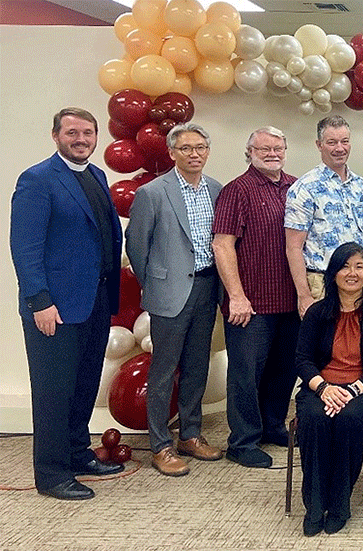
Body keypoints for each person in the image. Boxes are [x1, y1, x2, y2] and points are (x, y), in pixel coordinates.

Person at [10, 107, 124, 500]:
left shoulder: (96, 175)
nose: (81, 140)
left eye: (87, 133)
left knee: (84, 385)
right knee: (53, 393)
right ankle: (52, 474)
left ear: (96, 137)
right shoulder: (37, 179)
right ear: (56, 135)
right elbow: (25, 248)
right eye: (72, 132)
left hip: (94, 301)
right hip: (54, 308)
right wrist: (39, 302)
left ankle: (77, 454)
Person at [126, 122, 223, 476]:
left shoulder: (216, 190)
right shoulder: (152, 192)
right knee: (164, 370)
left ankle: (190, 435)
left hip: (207, 287)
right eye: (186, 148)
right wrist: (156, 282)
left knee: (197, 365)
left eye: (200, 148)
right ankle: (160, 445)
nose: (194, 154)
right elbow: (137, 246)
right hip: (169, 293)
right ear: (172, 152)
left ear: (207, 152)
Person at [294, 242, 363, 536]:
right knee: (314, 419)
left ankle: (339, 505)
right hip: (321, 387)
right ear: (333, 273)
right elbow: (302, 360)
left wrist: (352, 391)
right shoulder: (317, 313)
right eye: (345, 266)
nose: (352, 273)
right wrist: (324, 388)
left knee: (349, 419)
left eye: (359, 266)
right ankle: (315, 506)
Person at [212, 127, 299, 468]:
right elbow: (222, 245)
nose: (272, 153)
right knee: (245, 375)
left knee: (284, 370)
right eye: (264, 148)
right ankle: (243, 441)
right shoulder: (237, 191)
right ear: (249, 152)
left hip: (291, 301)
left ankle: (272, 426)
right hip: (250, 305)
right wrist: (236, 296)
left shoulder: (296, 187)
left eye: (278, 147)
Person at [285, 115, 363, 319]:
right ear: (319, 145)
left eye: (344, 141)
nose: (339, 148)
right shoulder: (304, 188)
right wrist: (304, 296)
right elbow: (293, 247)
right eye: (332, 142)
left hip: (360, 283)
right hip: (322, 283)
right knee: (325, 339)